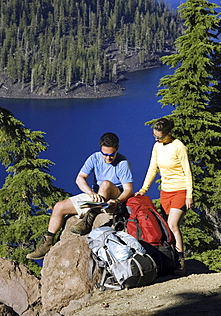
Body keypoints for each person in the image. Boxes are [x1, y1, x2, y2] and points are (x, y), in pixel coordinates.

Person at [27, 132, 133, 260]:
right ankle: (47, 243)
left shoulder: (122, 163)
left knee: (105, 184)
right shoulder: (95, 158)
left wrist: (117, 201)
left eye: (111, 155)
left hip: (112, 199)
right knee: (59, 207)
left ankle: (89, 218)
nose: (108, 158)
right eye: (104, 154)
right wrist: (90, 193)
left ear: (117, 149)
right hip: (96, 197)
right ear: (100, 149)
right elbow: (80, 178)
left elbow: (128, 189)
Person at [135, 118, 193, 275]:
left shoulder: (179, 147)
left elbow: (188, 171)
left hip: (180, 191)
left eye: (159, 137)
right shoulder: (157, 147)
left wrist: (189, 195)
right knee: (167, 228)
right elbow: (152, 168)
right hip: (165, 192)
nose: (157, 139)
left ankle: (181, 261)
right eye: (154, 136)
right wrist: (143, 189)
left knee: (173, 224)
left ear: (169, 133)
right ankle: (171, 259)